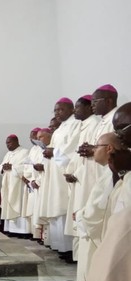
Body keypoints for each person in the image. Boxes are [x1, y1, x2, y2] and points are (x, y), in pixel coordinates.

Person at [70, 132, 120, 281]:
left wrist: (79, 216)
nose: (92, 149)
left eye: (97, 146)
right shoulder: (107, 173)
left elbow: (97, 212)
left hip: (98, 242)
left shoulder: (112, 175)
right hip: (95, 240)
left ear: (109, 148)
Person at [38, 98, 81, 260]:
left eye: (60, 110)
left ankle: (69, 249)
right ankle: (60, 247)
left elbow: (72, 150)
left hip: (64, 175)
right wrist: (49, 152)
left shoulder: (76, 125)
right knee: (56, 210)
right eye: (55, 110)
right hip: (54, 175)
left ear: (71, 109)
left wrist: (53, 152)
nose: (57, 113)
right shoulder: (59, 129)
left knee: (64, 210)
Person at [63, 96, 102, 260]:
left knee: (83, 215)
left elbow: (79, 153)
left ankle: (83, 257)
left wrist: (73, 171)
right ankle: (80, 257)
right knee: (78, 215)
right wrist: (71, 170)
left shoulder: (93, 124)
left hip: (89, 177)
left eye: (77, 107)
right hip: (80, 175)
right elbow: (77, 153)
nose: (75, 111)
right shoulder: (83, 125)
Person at [0, 135, 30, 237]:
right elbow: (1, 165)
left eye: (9, 142)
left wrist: (13, 167)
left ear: (16, 141)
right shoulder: (8, 154)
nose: (8, 145)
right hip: (8, 183)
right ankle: (11, 230)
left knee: (19, 205)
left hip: (18, 185)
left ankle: (22, 231)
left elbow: (26, 166)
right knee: (8, 204)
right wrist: (3, 167)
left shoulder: (24, 152)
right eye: (6, 143)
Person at [22, 128, 45, 241]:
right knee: (32, 210)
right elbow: (27, 165)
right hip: (31, 183)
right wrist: (27, 179)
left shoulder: (42, 149)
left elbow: (42, 166)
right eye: (30, 137)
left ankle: (40, 236)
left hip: (38, 183)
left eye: (34, 136)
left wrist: (36, 181)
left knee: (38, 210)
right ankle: (34, 234)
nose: (32, 139)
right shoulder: (32, 150)